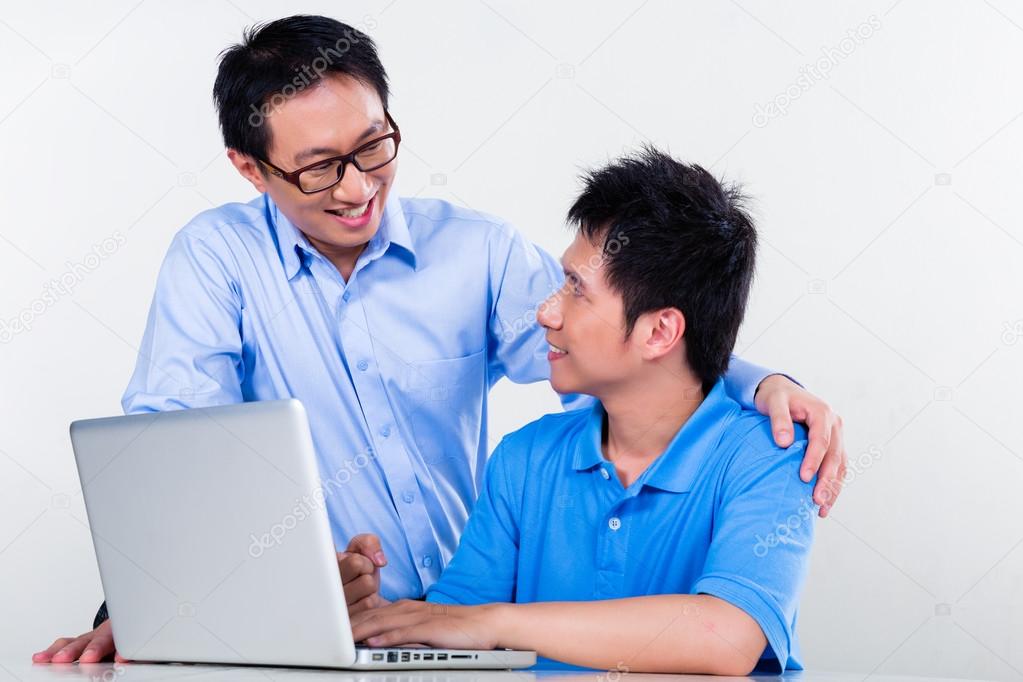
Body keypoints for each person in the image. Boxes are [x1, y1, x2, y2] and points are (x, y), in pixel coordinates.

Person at [33, 15, 844, 665]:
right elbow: (168, 465)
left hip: (463, 626)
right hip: (327, 630)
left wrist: (761, 380)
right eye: (319, 167)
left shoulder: (476, 252)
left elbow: (628, 339)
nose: (358, 188)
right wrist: (143, 608)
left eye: (373, 146)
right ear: (252, 169)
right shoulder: (216, 262)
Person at [350, 149, 817, 674]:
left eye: (576, 289)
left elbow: (725, 639)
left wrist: (499, 623)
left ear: (659, 332)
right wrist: (368, 620)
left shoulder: (771, 457)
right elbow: (452, 624)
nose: (546, 313)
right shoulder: (524, 459)